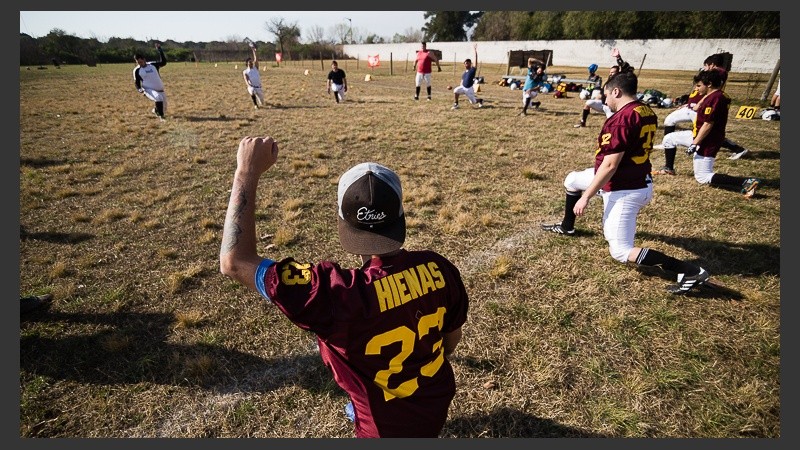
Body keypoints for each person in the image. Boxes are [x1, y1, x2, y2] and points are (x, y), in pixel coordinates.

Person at [219, 136, 470, 438]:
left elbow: (234, 261)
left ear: (342, 222)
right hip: (435, 403)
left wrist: (246, 171)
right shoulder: (439, 267)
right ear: (400, 216)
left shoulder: (333, 294)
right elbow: (450, 340)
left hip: (381, 429)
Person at [540, 70, 710, 295]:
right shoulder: (645, 109)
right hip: (634, 177)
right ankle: (567, 226)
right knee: (572, 179)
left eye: (607, 94)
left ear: (617, 91)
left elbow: (611, 165)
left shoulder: (621, 120)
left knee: (620, 251)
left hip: (625, 187)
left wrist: (587, 196)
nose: (605, 99)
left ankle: (688, 270)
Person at [653, 55, 749, 174]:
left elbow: (709, 122)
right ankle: (668, 161)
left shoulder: (717, 77)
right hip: (693, 107)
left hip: (701, 111)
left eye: (706, 66)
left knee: (705, 130)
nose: (704, 68)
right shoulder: (707, 80)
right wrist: (688, 103)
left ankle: (737, 149)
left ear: (711, 65)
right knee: (670, 121)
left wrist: (694, 143)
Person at [676, 69, 762, 198]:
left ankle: (746, 182)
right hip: (709, 138)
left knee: (703, 177)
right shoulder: (716, 96)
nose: (696, 88)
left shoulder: (715, 98)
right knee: (671, 140)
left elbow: (708, 123)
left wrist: (695, 143)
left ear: (709, 84)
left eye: (699, 85)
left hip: (709, 139)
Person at [133, 42, 168, 121]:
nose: (140, 64)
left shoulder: (153, 65)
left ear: (144, 59)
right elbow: (137, 82)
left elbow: (164, 62)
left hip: (160, 89)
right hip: (148, 89)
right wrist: (139, 89)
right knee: (158, 98)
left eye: (141, 62)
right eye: (138, 62)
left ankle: (156, 110)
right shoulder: (137, 70)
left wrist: (160, 50)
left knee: (164, 107)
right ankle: (161, 117)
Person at [451, 44, 484, 110]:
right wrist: (461, 89)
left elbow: (475, 61)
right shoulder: (464, 73)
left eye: (467, 63)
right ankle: (456, 104)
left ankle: (480, 100)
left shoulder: (472, 70)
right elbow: (462, 81)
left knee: (473, 102)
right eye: (465, 63)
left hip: (469, 89)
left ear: (470, 64)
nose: (466, 64)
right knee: (455, 90)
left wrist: (475, 51)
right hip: (463, 87)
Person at [242, 44, 264, 110]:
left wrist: (254, 51)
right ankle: (255, 105)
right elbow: (246, 79)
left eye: (251, 62)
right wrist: (249, 84)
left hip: (259, 87)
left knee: (262, 102)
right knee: (252, 91)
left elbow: (256, 59)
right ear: (247, 64)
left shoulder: (255, 68)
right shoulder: (245, 71)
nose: (251, 63)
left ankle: (260, 102)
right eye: (249, 63)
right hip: (251, 86)